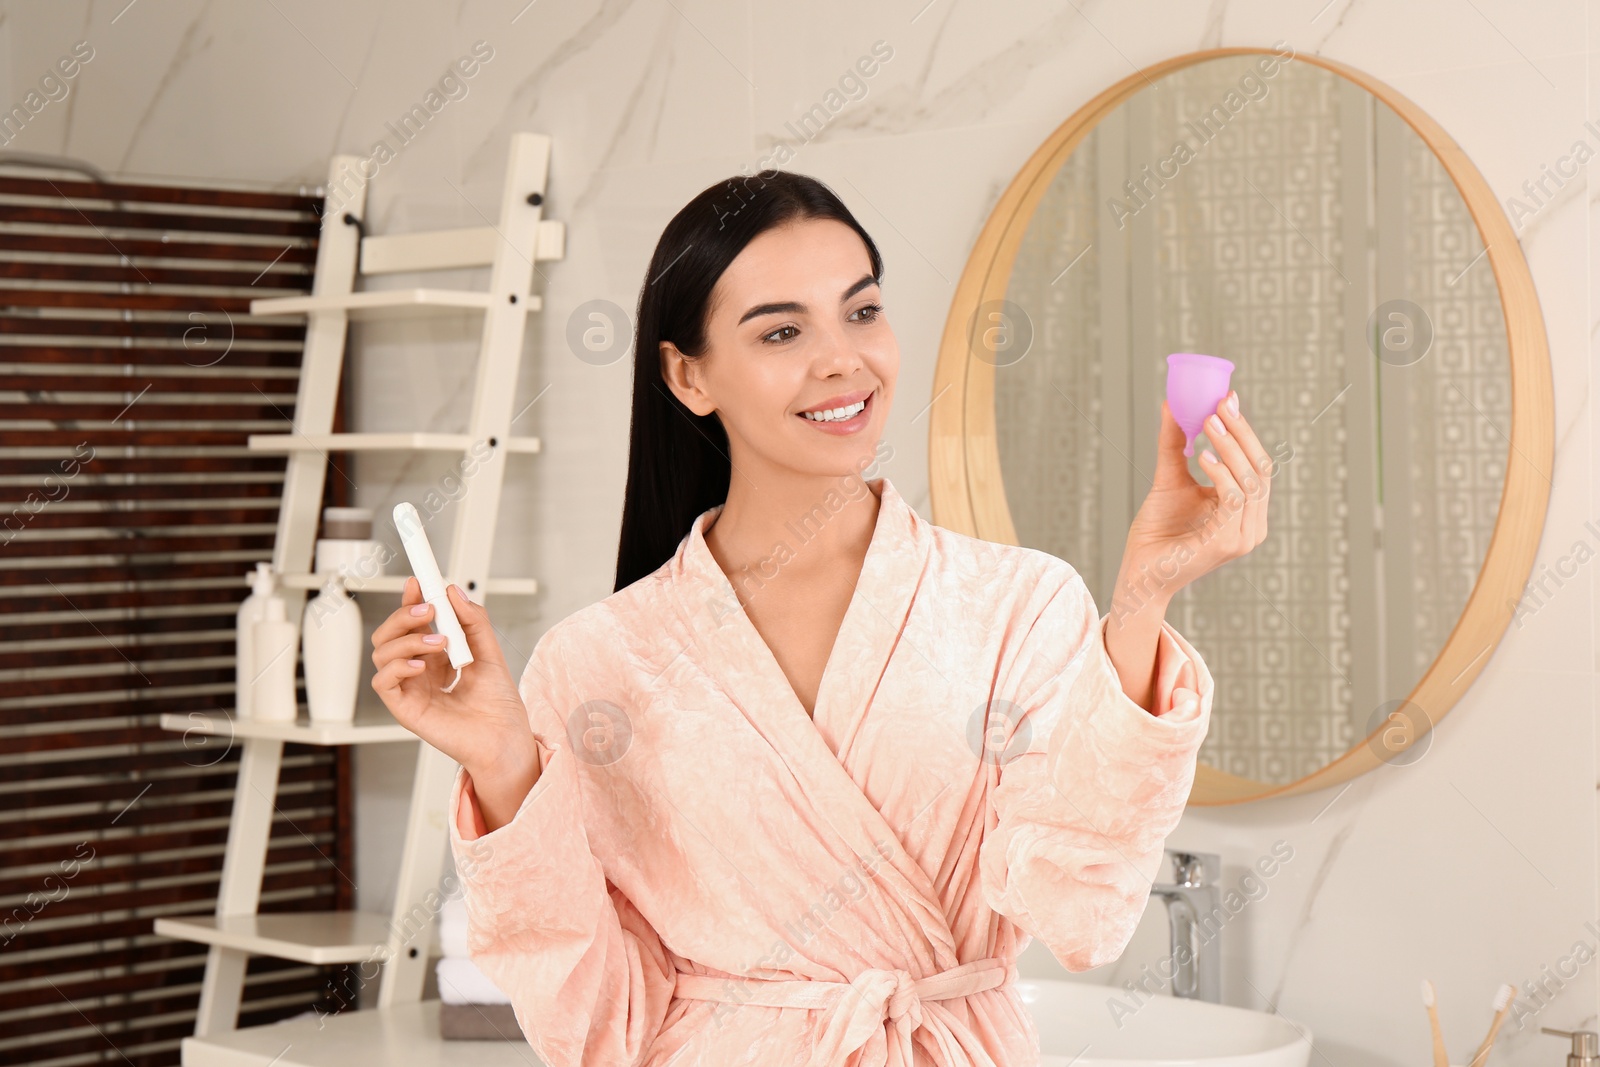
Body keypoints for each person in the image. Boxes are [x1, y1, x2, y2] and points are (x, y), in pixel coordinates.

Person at [370, 170, 1271, 1067]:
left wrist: (1145, 598)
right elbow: (600, 1021)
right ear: (688, 375)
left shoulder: (1015, 606)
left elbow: (1083, 911)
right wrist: (502, 763)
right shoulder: (597, 661)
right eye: (782, 330)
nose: (842, 357)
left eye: (863, 311)